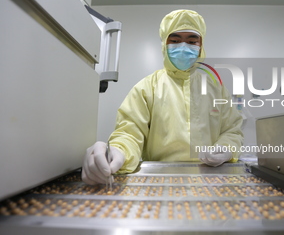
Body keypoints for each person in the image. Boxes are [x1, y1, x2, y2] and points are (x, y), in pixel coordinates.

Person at [82, 10, 243, 185]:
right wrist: (118, 151)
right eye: (174, 40)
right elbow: (129, 133)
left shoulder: (216, 89)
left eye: (191, 41)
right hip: (159, 181)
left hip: (211, 182)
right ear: (164, 44)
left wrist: (226, 148)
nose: (183, 47)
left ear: (201, 45)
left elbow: (232, 130)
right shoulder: (146, 88)